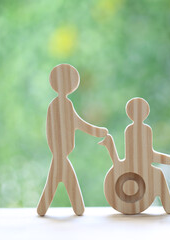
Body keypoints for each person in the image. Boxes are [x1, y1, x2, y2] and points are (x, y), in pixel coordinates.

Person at [37, 64, 108, 216]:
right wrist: (57, 151)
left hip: (60, 154)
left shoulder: (65, 105)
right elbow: (52, 130)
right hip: (59, 153)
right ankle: (73, 208)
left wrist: (98, 132)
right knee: (61, 180)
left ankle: (48, 208)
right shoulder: (55, 106)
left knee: (56, 180)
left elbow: (78, 123)